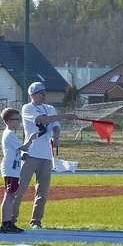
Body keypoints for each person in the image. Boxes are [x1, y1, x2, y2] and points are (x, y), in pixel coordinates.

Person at [12, 82, 76, 230]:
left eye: (44, 92)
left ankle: (36, 221)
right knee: (20, 189)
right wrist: (65, 116)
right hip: (30, 154)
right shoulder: (27, 108)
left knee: (42, 191)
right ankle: (11, 219)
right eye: (41, 92)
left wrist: (56, 137)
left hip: (46, 156)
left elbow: (55, 127)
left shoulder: (50, 108)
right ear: (32, 95)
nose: (44, 95)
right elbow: (41, 120)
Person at [0, 108, 36, 234]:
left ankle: (8, 223)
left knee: (11, 195)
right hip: (10, 169)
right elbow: (24, 147)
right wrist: (30, 139)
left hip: (13, 168)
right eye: (16, 120)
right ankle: (5, 224)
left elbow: (17, 151)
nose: (18, 122)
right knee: (9, 195)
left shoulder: (11, 134)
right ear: (8, 121)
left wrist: (22, 156)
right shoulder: (10, 134)